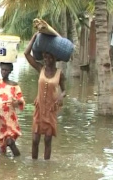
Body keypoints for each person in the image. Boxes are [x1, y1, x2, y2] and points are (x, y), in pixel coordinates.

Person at [24, 32, 66, 160]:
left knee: (47, 140)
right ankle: (34, 164)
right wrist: (34, 36)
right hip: (39, 109)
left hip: (51, 110)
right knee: (35, 139)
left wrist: (61, 96)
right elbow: (26, 54)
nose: (46, 60)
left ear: (54, 58)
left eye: (49, 57)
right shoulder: (40, 68)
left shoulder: (60, 74)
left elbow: (64, 90)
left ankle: (47, 166)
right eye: (45, 57)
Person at [0, 36, 25, 156]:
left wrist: (16, 103)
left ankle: (18, 159)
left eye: (6, 70)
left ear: (10, 71)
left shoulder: (15, 86)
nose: (3, 72)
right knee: (2, 146)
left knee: (10, 141)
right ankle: (4, 168)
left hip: (10, 119)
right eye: (2, 69)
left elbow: (21, 101)